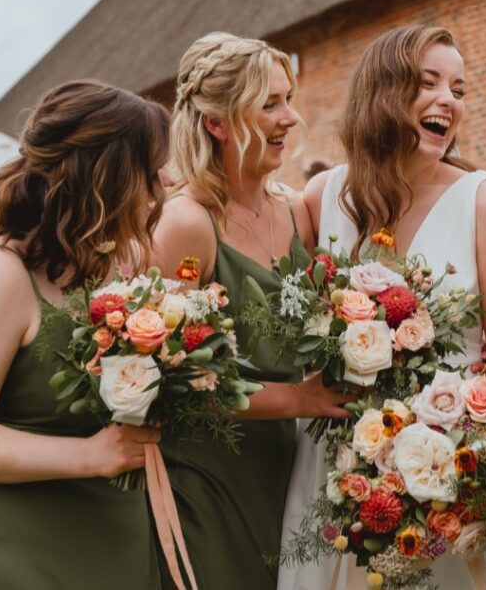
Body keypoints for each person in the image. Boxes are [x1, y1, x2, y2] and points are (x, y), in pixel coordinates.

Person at [280, 25, 486, 589]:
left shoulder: (482, 202)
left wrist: (462, 462)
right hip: (336, 462)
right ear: (384, 92)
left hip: (449, 466)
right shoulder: (324, 198)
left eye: (459, 90)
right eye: (428, 83)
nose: (449, 101)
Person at [0, 80, 170, 589]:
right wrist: (90, 456)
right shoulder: (0, 274)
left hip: (109, 532)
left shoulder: (118, 268)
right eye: (149, 169)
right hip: (9, 545)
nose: (162, 182)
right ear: (105, 179)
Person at [151, 32, 353, 589]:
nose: (290, 117)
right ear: (216, 122)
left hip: (291, 471)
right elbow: (174, 379)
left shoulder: (296, 214)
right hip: (210, 476)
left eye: (288, 99)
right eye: (270, 104)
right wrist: (299, 398)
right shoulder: (188, 223)